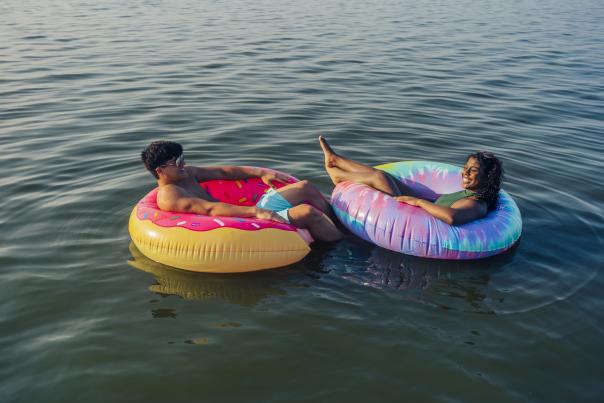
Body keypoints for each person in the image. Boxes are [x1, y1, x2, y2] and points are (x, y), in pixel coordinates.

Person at [141, 141, 343, 242]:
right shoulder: (169, 195)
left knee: (305, 187)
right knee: (307, 213)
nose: (183, 163)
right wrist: (255, 212)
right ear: (160, 170)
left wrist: (261, 172)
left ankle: (344, 227)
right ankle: (347, 247)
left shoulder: (188, 174)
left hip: (247, 211)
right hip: (240, 225)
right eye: (177, 162)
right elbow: (210, 209)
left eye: (182, 158)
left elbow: (223, 171)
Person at [319, 136, 503, 226]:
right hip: (427, 205)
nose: (465, 172)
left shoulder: (478, 204)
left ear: (487, 178)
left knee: (379, 178)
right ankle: (336, 159)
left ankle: (338, 176)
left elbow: (451, 217)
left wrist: (419, 201)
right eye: (466, 167)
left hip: (416, 217)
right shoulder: (473, 193)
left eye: (473, 171)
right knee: (386, 176)